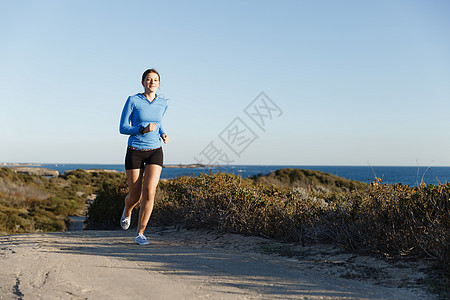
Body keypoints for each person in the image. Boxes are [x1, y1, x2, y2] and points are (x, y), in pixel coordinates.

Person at [119, 68, 169, 245]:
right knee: (135, 196)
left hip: (155, 150)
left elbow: (159, 122)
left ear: (159, 83)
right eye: (148, 79)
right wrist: (142, 129)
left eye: (155, 80)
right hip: (135, 150)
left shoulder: (162, 103)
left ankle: (140, 233)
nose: (152, 82)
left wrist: (163, 133)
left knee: (150, 192)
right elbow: (123, 128)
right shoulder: (133, 100)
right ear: (142, 82)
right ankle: (127, 210)